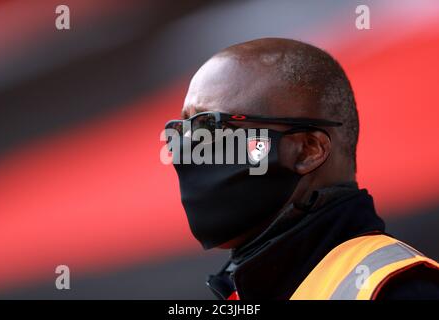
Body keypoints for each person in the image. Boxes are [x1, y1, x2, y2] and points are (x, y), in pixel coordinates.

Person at [165, 38, 439, 300]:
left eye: (208, 125)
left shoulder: (397, 290)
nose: (187, 146)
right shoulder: (248, 286)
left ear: (308, 149)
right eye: (181, 128)